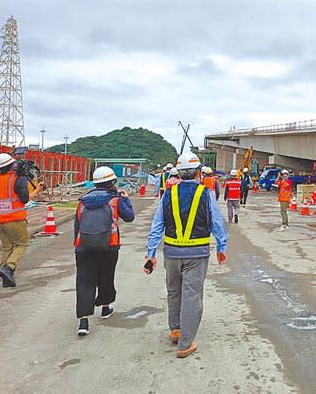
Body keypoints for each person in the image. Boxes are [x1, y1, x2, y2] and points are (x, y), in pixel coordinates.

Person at [144, 152, 227, 358]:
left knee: (174, 291)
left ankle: (176, 330)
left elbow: (157, 226)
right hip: (197, 254)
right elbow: (217, 223)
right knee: (192, 295)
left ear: (178, 173)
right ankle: (185, 344)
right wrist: (221, 247)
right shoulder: (205, 194)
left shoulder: (168, 194)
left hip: (172, 253)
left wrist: (151, 253)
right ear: (199, 172)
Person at [74, 166, 135, 336]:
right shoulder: (115, 199)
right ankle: (105, 308)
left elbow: (77, 225)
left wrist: (78, 246)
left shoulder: (82, 200)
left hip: (84, 247)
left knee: (85, 282)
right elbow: (129, 216)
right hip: (109, 245)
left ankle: (83, 322)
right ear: (112, 182)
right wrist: (126, 199)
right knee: (106, 276)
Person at [0, 153, 44, 287]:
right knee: (21, 244)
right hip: (14, 219)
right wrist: (37, 191)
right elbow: (24, 199)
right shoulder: (17, 178)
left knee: (8, 247)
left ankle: (6, 276)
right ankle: (8, 268)